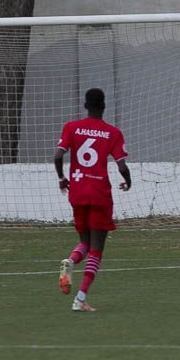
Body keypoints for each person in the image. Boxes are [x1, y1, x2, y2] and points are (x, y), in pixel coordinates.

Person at [55, 88, 131, 312]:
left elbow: (58, 155)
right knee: (96, 248)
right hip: (99, 193)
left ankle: (70, 261)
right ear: (104, 106)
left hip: (77, 192)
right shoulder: (113, 133)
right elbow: (122, 165)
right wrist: (128, 182)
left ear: (85, 105)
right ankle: (80, 299)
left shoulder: (71, 127)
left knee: (84, 242)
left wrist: (62, 178)